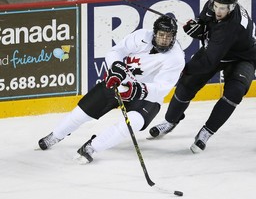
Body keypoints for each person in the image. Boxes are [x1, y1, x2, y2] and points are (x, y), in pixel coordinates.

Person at [38, 15, 185, 164]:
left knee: (134, 122)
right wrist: (116, 67)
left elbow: (162, 88)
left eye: (169, 36)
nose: (164, 39)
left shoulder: (176, 58)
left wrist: (137, 90)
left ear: (174, 37)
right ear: (154, 33)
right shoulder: (141, 36)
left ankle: (92, 147)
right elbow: (116, 51)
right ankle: (56, 135)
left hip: (146, 96)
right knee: (83, 112)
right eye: (161, 35)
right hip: (121, 82)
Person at [148, 0, 256, 153]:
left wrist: (183, 68)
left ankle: (206, 132)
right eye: (216, 5)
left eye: (222, 8)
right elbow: (206, 23)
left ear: (232, 7)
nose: (217, 11)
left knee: (235, 91)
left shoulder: (232, 26)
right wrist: (198, 27)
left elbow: (210, 60)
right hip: (219, 50)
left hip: (242, 57)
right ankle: (170, 121)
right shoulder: (213, 5)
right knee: (187, 83)